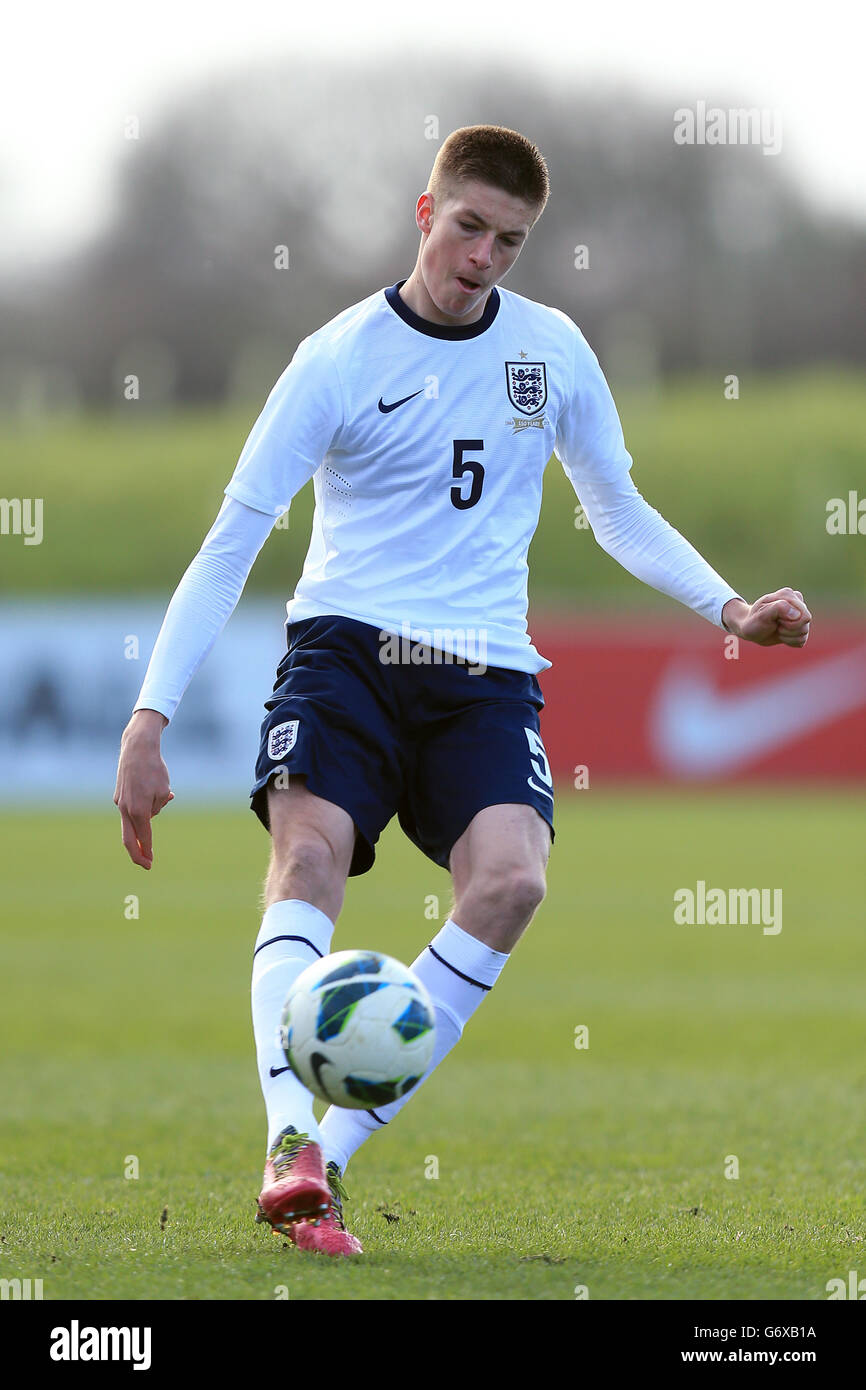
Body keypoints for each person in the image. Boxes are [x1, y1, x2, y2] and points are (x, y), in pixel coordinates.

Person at [114, 124, 811, 1258]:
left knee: (510, 882)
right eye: (469, 226)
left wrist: (728, 609)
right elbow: (232, 541)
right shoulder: (336, 357)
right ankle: (287, 1134)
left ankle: (325, 1165)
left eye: (511, 240)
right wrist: (151, 717)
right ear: (423, 211)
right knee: (306, 859)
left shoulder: (551, 352)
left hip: (482, 669)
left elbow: (617, 508)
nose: (483, 256)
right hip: (344, 652)